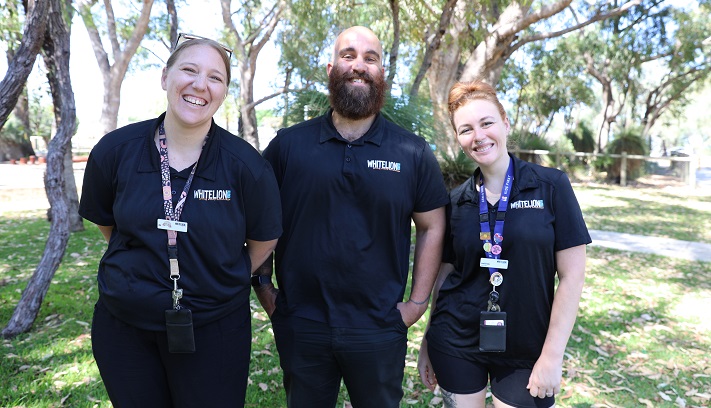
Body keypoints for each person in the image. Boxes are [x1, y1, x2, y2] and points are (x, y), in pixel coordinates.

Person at [78, 33, 282, 407]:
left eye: (215, 78)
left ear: (223, 91)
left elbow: (264, 240)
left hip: (214, 328)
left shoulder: (247, 167)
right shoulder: (114, 152)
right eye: (189, 70)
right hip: (124, 327)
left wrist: (218, 278)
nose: (200, 85)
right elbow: (108, 224)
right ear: (165, 77)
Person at [252, 26, 449, 407]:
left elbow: (432, 225)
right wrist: (264, 288)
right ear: (330, 68)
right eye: (348, 55)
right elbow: (259, 221)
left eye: (370, 58)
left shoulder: (412, 151)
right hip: (302, 324)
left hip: (379, 327)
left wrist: (417, 304)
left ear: (381, 75)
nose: (359, 65)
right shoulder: (288, 146)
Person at [417, 81, 590, 408]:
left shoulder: (551, 187)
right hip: (456, 341)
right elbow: (446, 274)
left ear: (505, 123)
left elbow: (572, 276)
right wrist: (427, 340)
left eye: (486, 123)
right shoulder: (456, 202)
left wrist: (552, 356)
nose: (478, 136)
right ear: (458, 139)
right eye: (465, 129)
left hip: (528, 349)